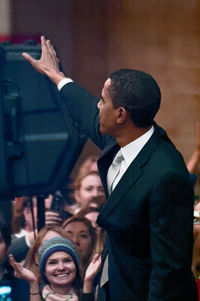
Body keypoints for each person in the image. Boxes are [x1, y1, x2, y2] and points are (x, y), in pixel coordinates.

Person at [22, 36, 197, 300]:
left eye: (103, 101)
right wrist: (57, 76)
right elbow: (86, 112)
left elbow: (168, 269)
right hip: (114, 280)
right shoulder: (127, 135)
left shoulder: (167, 175)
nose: (98, 106)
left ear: (120, 114)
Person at [9, 236, 101, 301]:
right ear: (44, 271)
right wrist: (33, 283)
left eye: (67, 261)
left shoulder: (88, 293)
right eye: (53, 263)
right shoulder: (33, 296)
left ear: (75, 266)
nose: (61, 267)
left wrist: (88, 281)